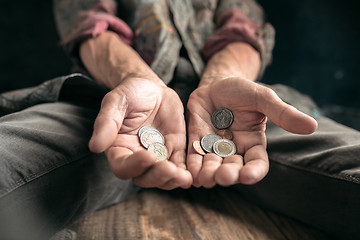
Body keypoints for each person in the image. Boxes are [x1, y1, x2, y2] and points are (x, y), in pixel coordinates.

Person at [0, 0, 358, 239]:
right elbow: (90, 29)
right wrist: (135, 78)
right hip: (117, 104)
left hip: (239, 117)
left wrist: (220, 79)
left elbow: (246, 33)